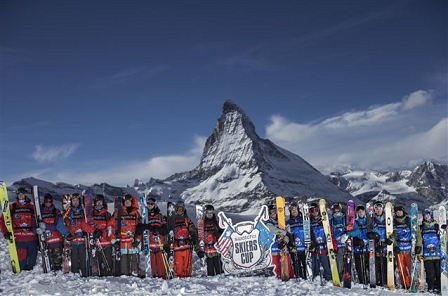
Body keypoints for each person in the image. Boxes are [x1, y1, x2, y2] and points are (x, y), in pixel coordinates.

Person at [0, 187, 38, 271]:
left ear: (25, 195)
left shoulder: (32, 207)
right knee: (21, 263)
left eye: (23, 194)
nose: (21, 196)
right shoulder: (12, 207)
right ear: (17, 195)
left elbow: (37, 219)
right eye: (19, 194)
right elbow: (2, 220)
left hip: (31, 238)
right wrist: (5, 232)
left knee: (32, 262)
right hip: (19, 239)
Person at [135, 197, 170, 279]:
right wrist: (144, 227)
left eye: (152, 204)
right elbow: (138, 231)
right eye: (148, 204)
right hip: (148, 247)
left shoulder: (161, 217)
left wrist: (157, 229)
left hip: (159, 246)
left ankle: (163, 283)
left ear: (155, 204)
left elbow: (165, 230)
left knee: (161, 271)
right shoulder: (144, 217)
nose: (150, 205)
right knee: (151, 270)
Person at [39, 193, 72, 272]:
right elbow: (34, 225)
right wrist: (37, 230)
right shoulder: (40, 212)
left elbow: (58, 225)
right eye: (46, 201)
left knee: (57, 264)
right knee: (47, 264)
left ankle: (58, 280)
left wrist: (46, 226)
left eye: (50, 201)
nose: (48, 203)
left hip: (56, 240)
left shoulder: (56, 212)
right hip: (45, 241)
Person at [112, 194, 142, 276]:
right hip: (121, 244)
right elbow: (111, 227)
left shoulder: (136, 214)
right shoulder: (118, 213)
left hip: (132, 243)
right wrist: (114, 241)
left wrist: (138, 240)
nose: (127, 203)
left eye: (129, 201)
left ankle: (135, 282)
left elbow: (140, 229)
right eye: (126, 201)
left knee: (134, 266)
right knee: (123, 267)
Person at [169, 200, 199, 278]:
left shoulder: (187, 220)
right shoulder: (173, 221)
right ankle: (178, 281)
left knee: (187, 267)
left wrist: (194, 238)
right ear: (176, 210)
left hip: (187, 247)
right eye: (178, 209)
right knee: (178, 267)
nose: (180, 211)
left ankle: (187, 280)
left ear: (184, 210)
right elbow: (168, 232)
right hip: (177, 247)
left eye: (181, 209)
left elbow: (193, 231)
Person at [64, 193, 91, 277]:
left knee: (84, 259)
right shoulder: (68, 213)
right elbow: (62, 224)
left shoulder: (84, 212)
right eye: (73, 200)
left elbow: (88, 223)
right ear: (71, 202)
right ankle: (75, 276)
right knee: (74, 260)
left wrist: (89, 231)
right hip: (73, 241)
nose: (75, 202)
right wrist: (67, 233)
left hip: (83, 241)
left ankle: (85, 275)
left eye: (77, 200)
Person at [265, 204, 294, 279]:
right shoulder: (268, 223)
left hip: (283, 248)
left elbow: (289, 234)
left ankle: (289, 280)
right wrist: (285, 233)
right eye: (270, 212)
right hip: (274, 249)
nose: (273, 214)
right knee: (276, 268)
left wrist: (285, 242)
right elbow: (273, 230)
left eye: (274, 211)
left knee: (287, 267)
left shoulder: (284, 222)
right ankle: (277, 282)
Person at [416, 208, 441, 294]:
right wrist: (418, 250)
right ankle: (431, 287)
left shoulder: (437, 226)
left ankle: (439, 287)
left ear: (431, 215)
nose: (426, 217)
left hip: (437, 253)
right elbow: (419, 240)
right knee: (430, 273)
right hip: (427, 254)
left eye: (428, 215)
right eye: (425, 215)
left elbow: (443, 238)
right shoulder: (421, 228)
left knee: (438, 272)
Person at [90, 194, 113, 276]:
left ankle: (110, 278)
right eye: (97, 202)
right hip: (96, 243)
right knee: (98, 264)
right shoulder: (91, 214)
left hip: (106, 243)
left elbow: (110, 227)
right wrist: (94, 231)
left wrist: (102, 232)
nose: (99, 203)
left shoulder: (107, 214)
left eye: (100, 201)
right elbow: (86, 225)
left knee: (108, 264)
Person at [309, 202, 333, 282]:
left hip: (323, 247)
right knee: (315, 265)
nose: (314, 212)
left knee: (326, 265)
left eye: (316, 210)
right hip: (314, 247)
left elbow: (330, 233)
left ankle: (328, 279)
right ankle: (315, 279)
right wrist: (312, 244)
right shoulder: (309, 222)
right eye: (312, 210)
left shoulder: (324, 220)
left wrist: (329, 244)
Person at [346, 205, 369, 285]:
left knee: (368, 265)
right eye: (359, 211)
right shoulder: (354, 222)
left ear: (364, 212)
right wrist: (356, 241)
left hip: (367, 247)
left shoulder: (368, 221)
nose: (360, 213)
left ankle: (369, 280)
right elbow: (350, 233)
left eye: (362, 211)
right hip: (357, 248)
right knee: (359, 266)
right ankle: (362, 281)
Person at [367, 201, 388, 287]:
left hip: (386, 244)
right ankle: (378, 280)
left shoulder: (387, 218)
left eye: (380, 208)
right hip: (376, 245)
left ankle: (386, 280)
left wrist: (389, 240)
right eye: (377, 209)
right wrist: (371, 234)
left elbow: (393, 231)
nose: (378, 210)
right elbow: (369, 228)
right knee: (377, 263)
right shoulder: (372, 219)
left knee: (387, 264)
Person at [286, 201, 307, 280]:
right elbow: (286, 235)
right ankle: (299, 279)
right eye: (292, 210)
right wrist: (290, 245)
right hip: (294, 248)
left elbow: (309, 231)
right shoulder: (288, 222)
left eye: (295, 209)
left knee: (305, 265)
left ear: (298, 210)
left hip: (304, 247)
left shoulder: (304, 220)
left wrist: (312, 242)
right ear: (290, 211)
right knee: (296, 265)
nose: (294, 211)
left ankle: (307, 278)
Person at [392, 205, 412, 289]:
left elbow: (416, 232)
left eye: (400, 211)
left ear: (403, 211)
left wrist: (417, 245)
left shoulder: (409, 220)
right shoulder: (393, 222)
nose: (398, 212)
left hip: (409, 248)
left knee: (411, 267)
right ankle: (405, 284)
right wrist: (395, 246)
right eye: (396, 211)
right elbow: (391, 235)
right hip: (399, 249)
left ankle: (414, 283)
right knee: (401, 268)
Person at [202, 204, 224, 276]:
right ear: (205, 213)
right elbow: (199, 236)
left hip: (217, 249)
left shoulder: (217, 223)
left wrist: (219, 234)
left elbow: (224, 233)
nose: (209, 215)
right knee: (210, 271)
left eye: (211, 213)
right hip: (208, 250)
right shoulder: (202, 224)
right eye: (207, 213)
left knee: (219, 269)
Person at [330, 202, 346, 279]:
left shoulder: (345, 219)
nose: (336, 212)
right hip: (335, 245)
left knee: (344, 261)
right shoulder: (331, 221)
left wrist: (347, 235)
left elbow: (356, 230)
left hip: (345, 244)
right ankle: (338, 276)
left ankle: (345, 276)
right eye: (334, 210)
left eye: (337, 210)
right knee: (337, 261)